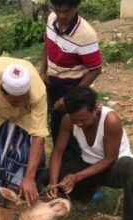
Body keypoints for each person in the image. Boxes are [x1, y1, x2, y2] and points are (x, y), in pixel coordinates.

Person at [47, 86, 133, 220]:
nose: (79, 123)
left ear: (95, 109)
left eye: (83, 119)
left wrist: (76, 177)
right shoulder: (68, 121)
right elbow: (57, 153)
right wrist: (53, 183)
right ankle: (86, 196)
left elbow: (109, 159)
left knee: (130, 167)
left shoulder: (110, 120)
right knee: (52, 173)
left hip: (114, 168)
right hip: (87, 166)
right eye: (75, 119)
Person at [0, 57, 49, 206]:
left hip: (26, 116)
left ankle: (28, 184)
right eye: (14, 101)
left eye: (23, 99)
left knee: (26, 153)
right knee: (0, 151)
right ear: (1, 90)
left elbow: (39, 136)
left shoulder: (38, 93)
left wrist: (30, 177)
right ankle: (2, 188)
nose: (18, 104)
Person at [40, 0, 102, 159]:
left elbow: (95, 69)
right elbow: (47, 43)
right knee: (57, 127)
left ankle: (81, 172)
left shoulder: (86, 34)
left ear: (76, 7)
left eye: (66, 11)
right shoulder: (51, 18)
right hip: (52, 83)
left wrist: (69, 98)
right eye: (57, 10)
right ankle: (62, 167)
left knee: (76, 132)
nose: (61, 15)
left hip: (73, 87)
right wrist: (42, 71)